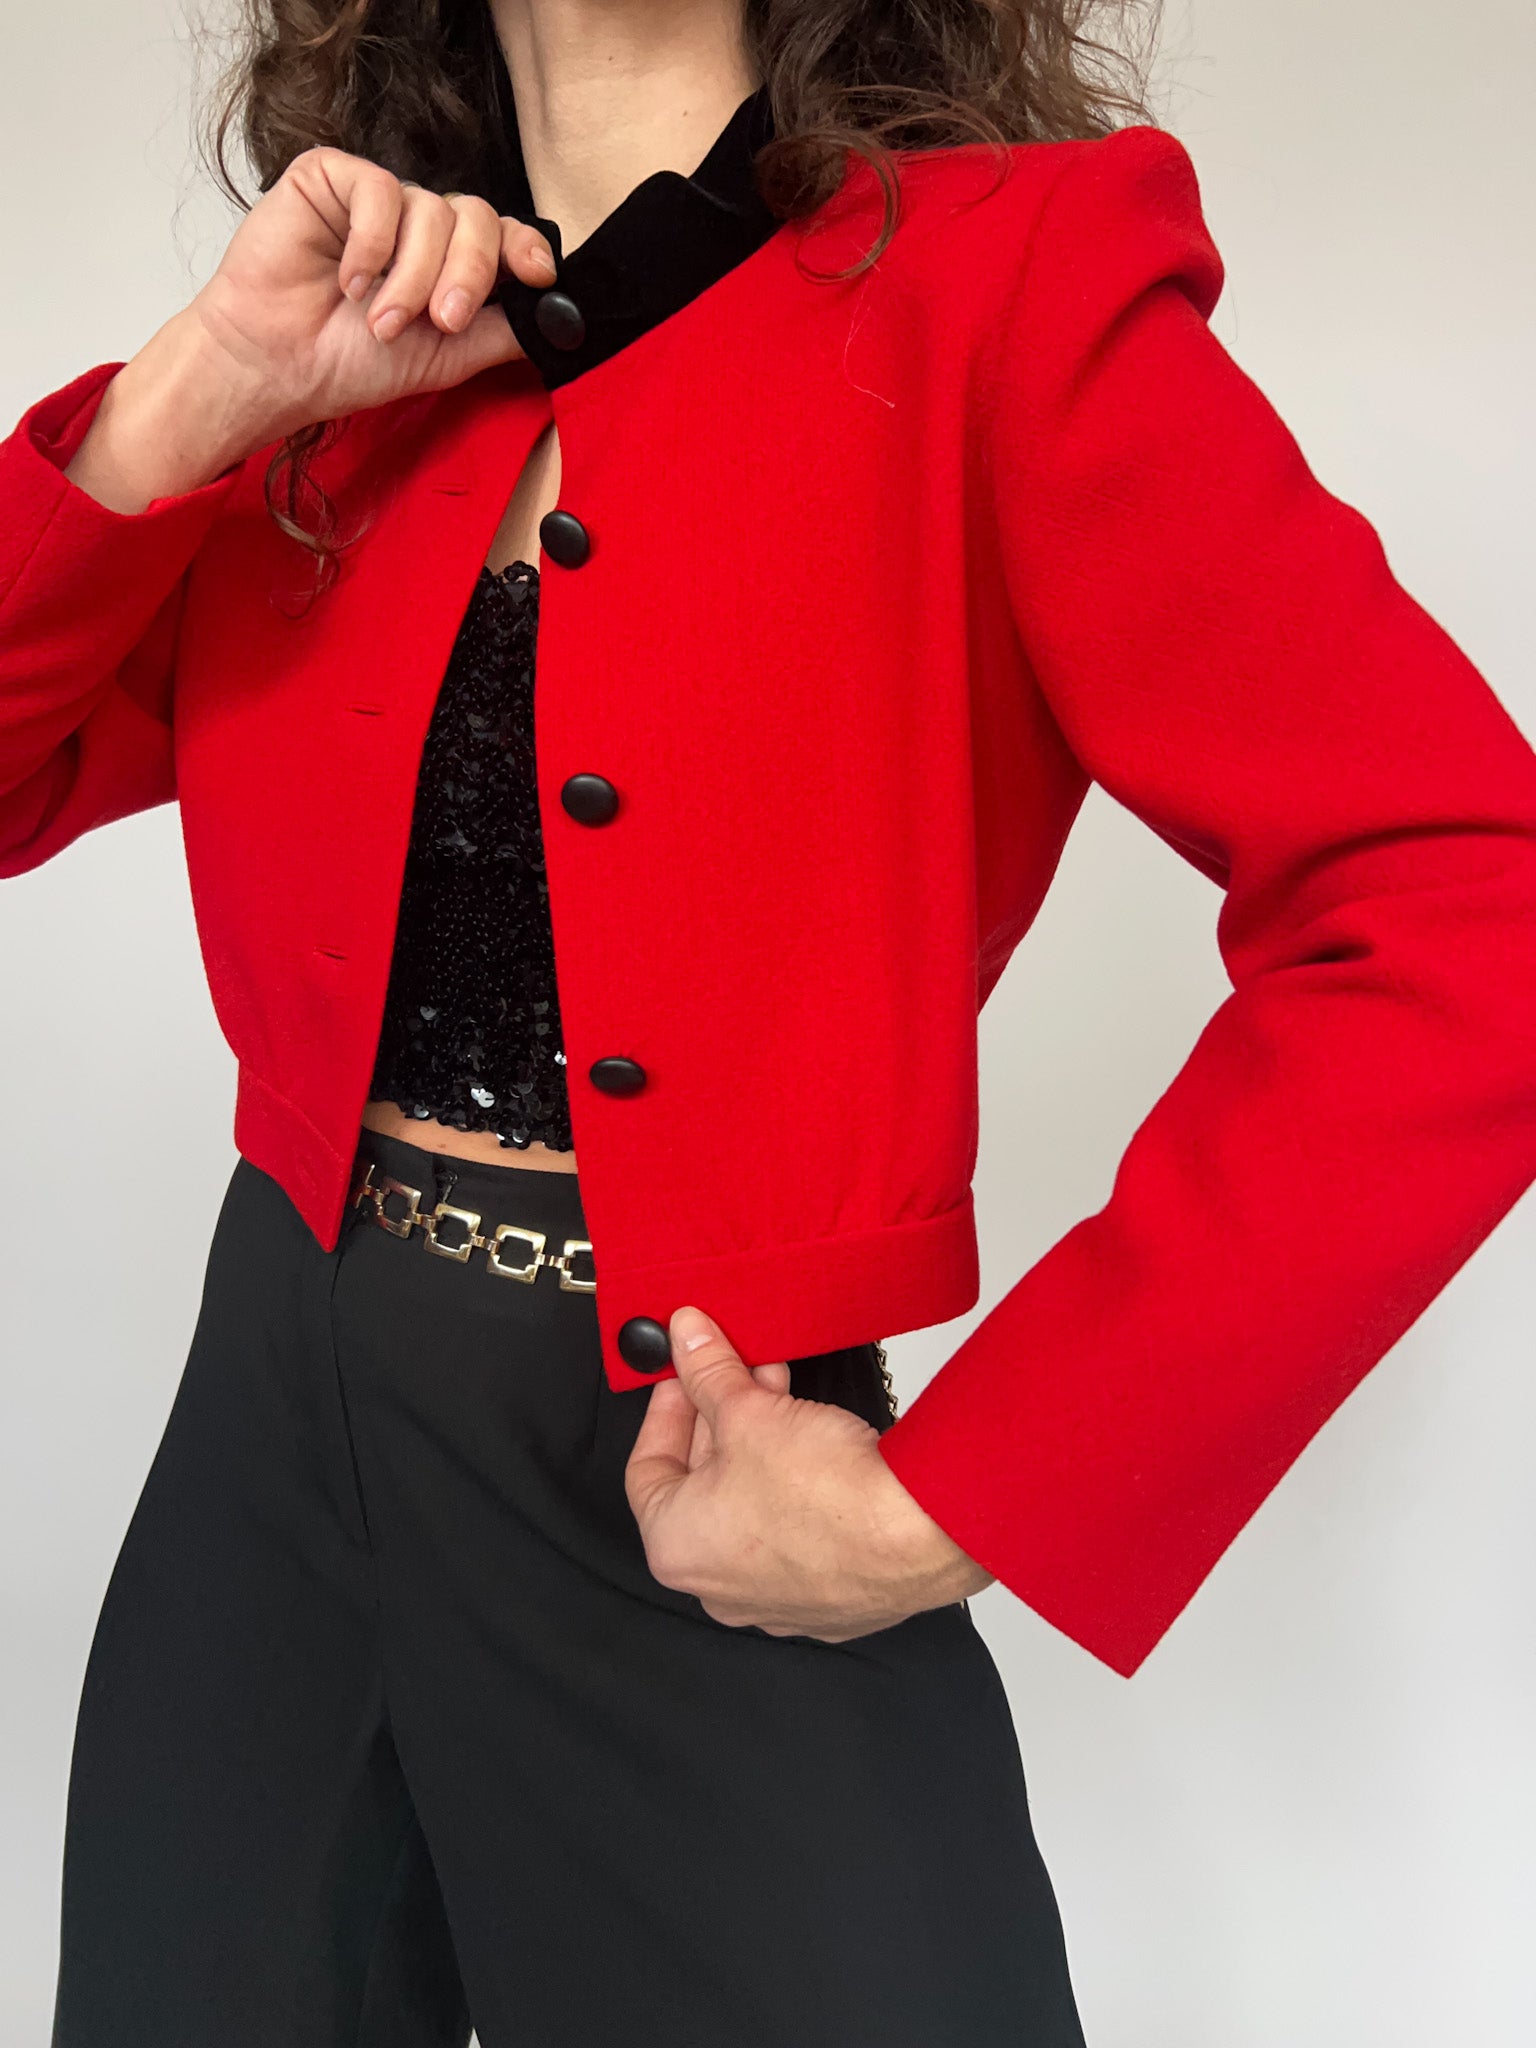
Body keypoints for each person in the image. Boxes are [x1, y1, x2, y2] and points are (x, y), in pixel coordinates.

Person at [4, 0, 1535, 2041]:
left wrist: (970, 1493)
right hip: (266, 1446)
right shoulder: (340, 337)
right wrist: (191, 394)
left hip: (693, 1462)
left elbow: (1465, 904)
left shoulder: (1008, 283)